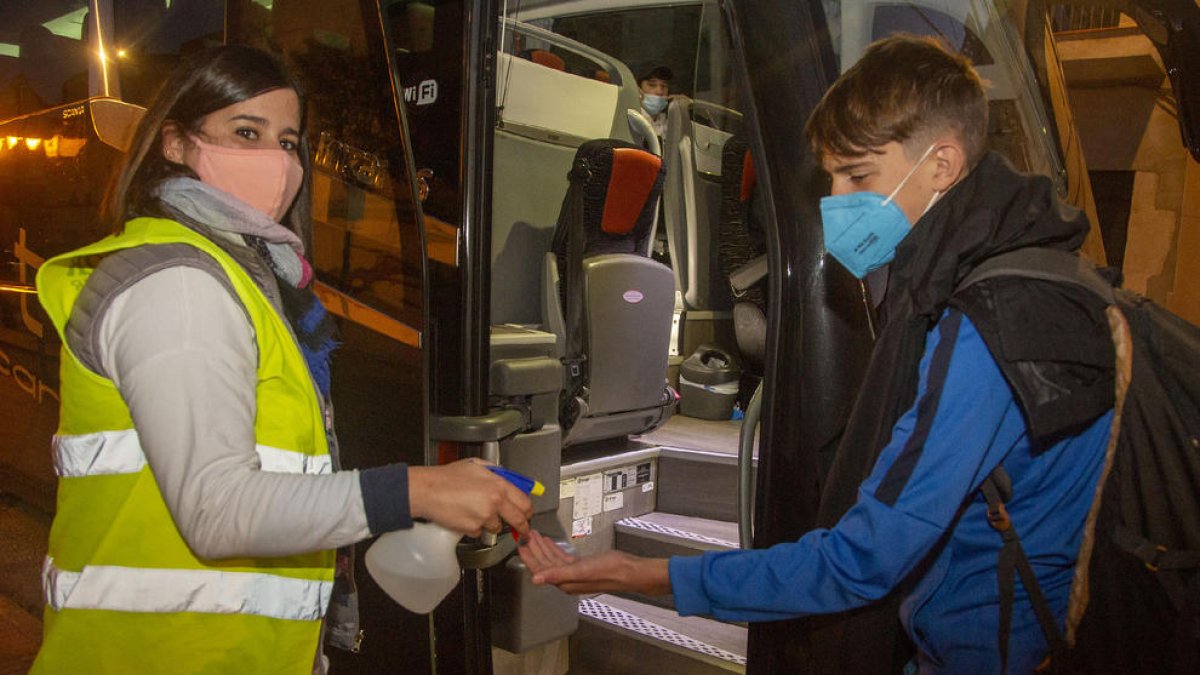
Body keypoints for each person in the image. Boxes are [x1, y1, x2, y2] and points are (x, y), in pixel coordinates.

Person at [521, 35, 1117, 674]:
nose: (836, 201)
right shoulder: (1048, 277)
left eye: (858, 175)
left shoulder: (986, 326)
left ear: (942, 165)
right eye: (831, 177)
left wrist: (641, 574)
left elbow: (862, 561)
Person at [32, 45, 532, 675]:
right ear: (175, 145)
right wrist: (418, 490)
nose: (276, 159)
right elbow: (216, 511)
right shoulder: (179, 284)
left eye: (289, 141)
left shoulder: (252, 282)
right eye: (247, 133)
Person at [636, 64, 673, 140]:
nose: (659, 91)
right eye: (652, 85)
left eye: (664, 86)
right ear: (638, 89)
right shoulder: (631, 120)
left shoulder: (668, 122)